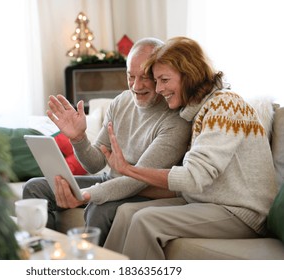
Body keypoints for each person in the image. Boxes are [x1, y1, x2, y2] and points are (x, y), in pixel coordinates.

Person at [101, 36, 278, 259]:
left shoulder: (225, 104)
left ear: (189, 75)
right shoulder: (197, 111)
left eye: (164, 80)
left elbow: (194, 177)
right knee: (126, 212)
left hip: (242, 213)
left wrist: (129, 170)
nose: (159, 89)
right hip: (206, 202)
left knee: (146, 221)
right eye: (157, 81)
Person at [22, 38, 192, 246]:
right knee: (35, 188)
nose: (136, 86)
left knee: (99, 208)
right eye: (131, 76)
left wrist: (85, 195)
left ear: (159, 74)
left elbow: (136, 179)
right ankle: (48, 256)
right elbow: (94, 164)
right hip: (111, 180)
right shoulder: (121, 102)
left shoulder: (175, 120)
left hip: (144, 190)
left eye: (145, 77)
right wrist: (78, 138)